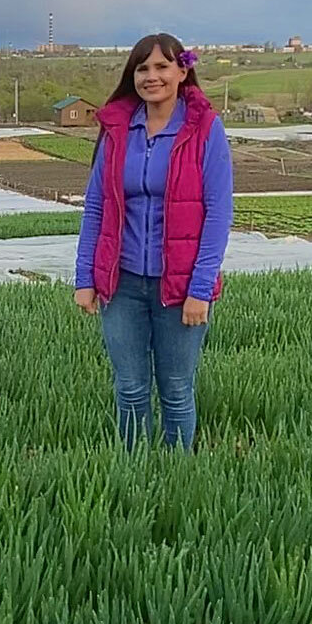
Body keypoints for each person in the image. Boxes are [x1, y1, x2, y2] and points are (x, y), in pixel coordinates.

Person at [74, 33, 234, 451]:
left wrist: (200, 288)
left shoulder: (204, 130)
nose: (151, 76)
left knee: (177, 388)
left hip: (179, 287)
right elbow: (96, 207)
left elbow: (219, 213)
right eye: (143, 68)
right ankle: (134, 475)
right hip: (122, 282)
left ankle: (177, 478)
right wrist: (85, 277)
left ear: (183, 71)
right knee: (129, 388)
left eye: (162, 66)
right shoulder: (117, 131)